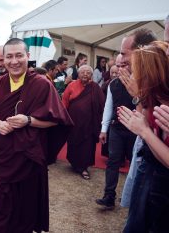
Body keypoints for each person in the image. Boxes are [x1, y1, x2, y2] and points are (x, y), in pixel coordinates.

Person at [0, 38, 73, 233]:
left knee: (24, 208)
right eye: (9, 57)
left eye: (19, 55)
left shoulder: (41, 84)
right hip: (3, 155)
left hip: (28, 157)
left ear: (28, 57)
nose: (14, 61)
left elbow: (57, 120)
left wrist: (28, 121)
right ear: (3, 59)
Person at [118, 42, 169, 232]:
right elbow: (147, 122)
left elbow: (148, 133)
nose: (132, 77)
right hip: (153, 174)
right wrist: (139, 98)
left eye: (135, 72)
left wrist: (144, 132)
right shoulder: (155, 99)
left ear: (150, 75)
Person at [95, 56, 136, 208]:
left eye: (124, 64)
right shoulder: (113, 84)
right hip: (117, 128)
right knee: (113, 161)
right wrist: (104, 129)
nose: (120, 69)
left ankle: (132, 197)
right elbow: (108, 107)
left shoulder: (140, 82)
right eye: (118, 65)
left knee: (134, 163)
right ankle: (109, 196)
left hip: (135, 130)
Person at [62, 65, 105, 179]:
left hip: (90, 124)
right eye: (83, 72)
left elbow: (102, 105)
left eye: (88, 72)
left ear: (91, 75)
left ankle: (84, 167)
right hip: (74, 122)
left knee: (87, 145)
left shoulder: (95, 88)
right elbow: (65, 101)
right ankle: (75, 163)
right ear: (79, 74)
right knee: (74, 142)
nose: (85, 74)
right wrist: (63, 117)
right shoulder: (71, 85)